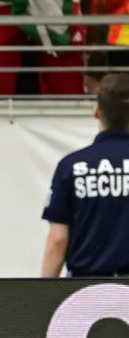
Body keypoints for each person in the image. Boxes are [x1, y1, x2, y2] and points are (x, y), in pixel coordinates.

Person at [42, 73, 129, 277]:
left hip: (87, 291)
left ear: (96, 111)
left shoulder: (71, 167)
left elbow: (57, 242)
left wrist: (41, 300)